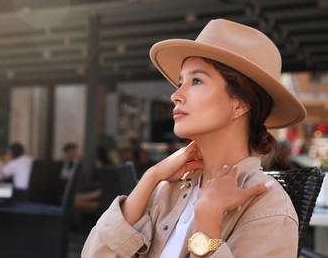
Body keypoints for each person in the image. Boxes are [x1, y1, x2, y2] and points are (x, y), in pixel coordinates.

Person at [82, 19, 306, 257]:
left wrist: (208, 219)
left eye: (196, 81)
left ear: (240, 104)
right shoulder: (167, 189)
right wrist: (151, 177)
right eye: (180, 83)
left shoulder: (270, 210)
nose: (175, 96)